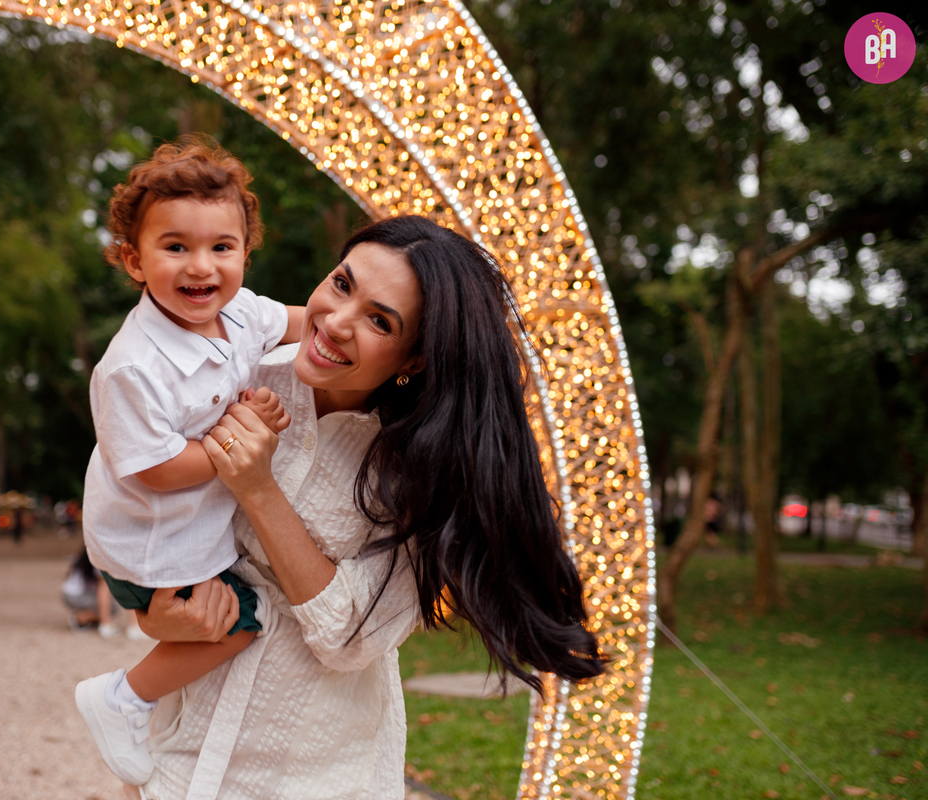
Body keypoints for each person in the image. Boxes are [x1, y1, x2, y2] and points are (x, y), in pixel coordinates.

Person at [122, 215, 605, 800]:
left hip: (314, 772)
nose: (335, 322)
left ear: (415, 359)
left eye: (380, 321)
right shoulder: (232, 376)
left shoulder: (418, 470)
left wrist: (258, 489)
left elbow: (350, 636)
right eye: (342, 284)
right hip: (178, 754)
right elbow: (143, 519)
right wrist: (153, 611)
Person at [75, 140, 305, 786]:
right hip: (148, 543)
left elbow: (295, 321)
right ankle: (124, 695)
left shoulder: (236, 314)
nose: (201, 267)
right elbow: (153, 469)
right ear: (133, 260)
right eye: (175, 247)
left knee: (229, 613)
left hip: (190, 531)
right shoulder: (130, 367)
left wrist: (348, 322)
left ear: (244, 252)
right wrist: (237, 442)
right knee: (242, 620)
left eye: (221, 248)